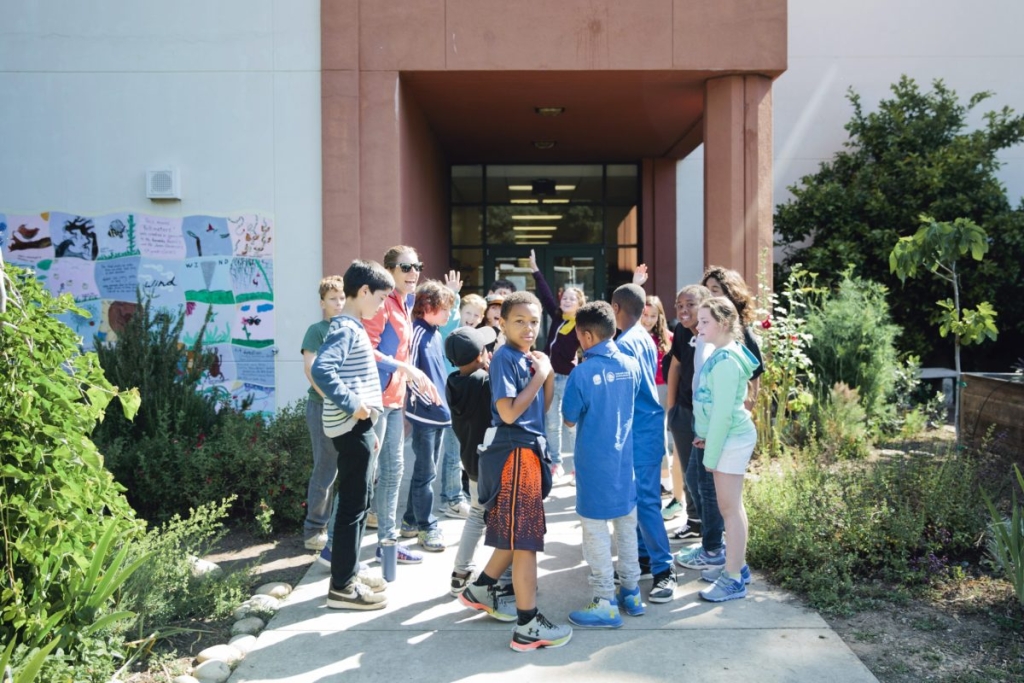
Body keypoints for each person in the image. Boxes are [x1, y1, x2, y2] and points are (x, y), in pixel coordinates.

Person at [458, 291, 573, 652]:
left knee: (517, 534)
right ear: (502, 324)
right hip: (515, 453)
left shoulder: (527, 358)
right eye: (519, 321)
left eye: (534, 322)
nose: (528, 328)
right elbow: (509, 412)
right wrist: (539, 374)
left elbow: (542, 406)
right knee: (525, 542)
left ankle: (481, 587)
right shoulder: (506, 358)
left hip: (528, 450)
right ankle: (527, 625)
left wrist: (546, 372)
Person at [310, 259, 393, 610]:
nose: (382, 304)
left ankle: (349, 573)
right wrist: (354, 405)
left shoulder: (353, 325)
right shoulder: (347, 327)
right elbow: (321, 368)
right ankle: (342, 587)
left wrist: (367, 423)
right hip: (351, 424)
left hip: (359, 427)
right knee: (353, 508)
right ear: (363, 292)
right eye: (380, 297)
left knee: (357, 504)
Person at [562, 301, 644, 628]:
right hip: (625, 465)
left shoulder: (581, 373)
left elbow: (568, 420)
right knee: (626, 528)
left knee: (595, 533)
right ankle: (632, 593)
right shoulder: (632, 364)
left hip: (594, 467)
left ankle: (604, 600)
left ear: (584, 335)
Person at [363, 246, 440, 566]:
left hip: (394, 401)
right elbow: (365, 350)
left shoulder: (405, 304)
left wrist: (409, 376)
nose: (413, 273)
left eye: (417, 266)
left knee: (393, 472)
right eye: (405, 267)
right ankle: (334, 545)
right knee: (364, 474)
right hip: (372, 402)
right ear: (390, 271)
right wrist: (403, 368)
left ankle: (387, 544)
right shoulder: (382, 303)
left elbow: (402, 350)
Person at [689, 297, 759, 602]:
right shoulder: (722, 354)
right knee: (733, 508)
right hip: (726, 437)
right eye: (699, 320)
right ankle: (737, 567)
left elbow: (723, 414)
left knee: (729, 509)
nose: (698, 325)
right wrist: (706, 437)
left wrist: (711, 453)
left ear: (725, 323)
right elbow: (715, 408)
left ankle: (732, 580)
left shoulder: (727, 361)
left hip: (731, 439)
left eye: (705, 321)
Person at [611, 283, 676, 604]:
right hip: (644, 430)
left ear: (615, 309)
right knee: (638, 499)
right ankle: (643, 558)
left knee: (647, 502)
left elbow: (625, 392)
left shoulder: (625, 344)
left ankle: (665, 569)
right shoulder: (641, 337)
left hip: (640, 431)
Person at [444, 323, 511, 596]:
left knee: (477, 515)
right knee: (505, 519)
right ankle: (506, 577)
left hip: (471, 464)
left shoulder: (454, 381)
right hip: (492, 464)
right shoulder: (483, 381)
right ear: (480, 355)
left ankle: (461, 571)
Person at [401, 280, 458, 551]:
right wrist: (430, 403)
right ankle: (427, 526)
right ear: (428, 307)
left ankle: (411, 521)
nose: (448, 314)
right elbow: (410, 376)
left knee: (425, 471)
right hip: (425, 415)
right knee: (426, 473)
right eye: (444, 308)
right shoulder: (416, 333)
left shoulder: (435, 333)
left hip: (438, 414)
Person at [528, 249, 583, 484]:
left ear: (580, 303)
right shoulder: (558, 318)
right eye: (565, 297)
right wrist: (535, 270)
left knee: (571, 424)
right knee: (551, 422)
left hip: (568, 377)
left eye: (572, 298)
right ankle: (556, 464)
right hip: (550, 376)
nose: (566, 300)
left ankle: (577, 468)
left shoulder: (581, 324)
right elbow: (546, 295)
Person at [665, 284, 713, 543]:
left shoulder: (716, 333)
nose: (684, 310)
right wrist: (671, 410)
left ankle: (713, 528)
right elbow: (675, 366)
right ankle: (694, 522)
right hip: (683, 412)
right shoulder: (682, 332)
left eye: (690, 305)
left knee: (704, 474)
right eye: (680, 305)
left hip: (708, 416)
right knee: (687, 471)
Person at [300, 275, 344, 553]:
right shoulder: (316, 331)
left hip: (349, 409)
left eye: (342, 298)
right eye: (332, 299)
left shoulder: (351, 328)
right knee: (325, 469)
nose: (338, 303)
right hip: (321, 406)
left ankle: (338, 525)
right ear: (322, 303)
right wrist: (333, 398)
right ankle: (314, 529)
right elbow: (311, 369)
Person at [640, 295, 676, 515]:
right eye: (645, 315)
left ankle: (665, 478)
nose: (649, 320)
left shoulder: (667, 337)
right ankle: (659, 478)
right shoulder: (633, 335)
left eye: (654, 316)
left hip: (660, 388)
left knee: (658, 432)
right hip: (641, 388)